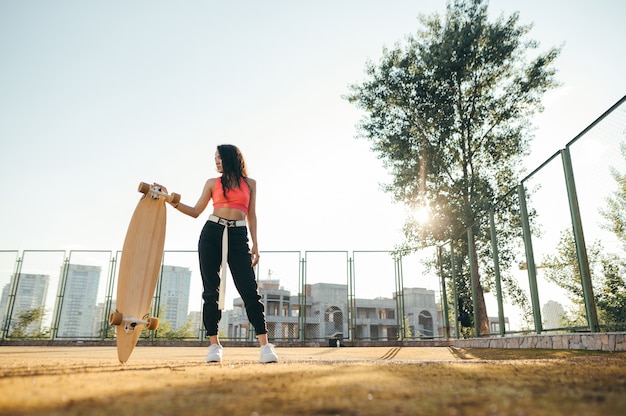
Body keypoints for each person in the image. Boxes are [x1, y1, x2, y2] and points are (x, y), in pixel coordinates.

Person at [160, 144, 278, 364]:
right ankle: (214, 345)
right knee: (210, 290)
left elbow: (252, 215)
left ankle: (265, 347)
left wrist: (256, 244)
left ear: (231, 158)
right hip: (212, 233)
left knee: (250, 291)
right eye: (214, 158)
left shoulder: (250, 184)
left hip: (238, 234)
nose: (216, 162)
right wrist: (169, 199)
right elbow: (195, 212)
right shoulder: (211, 183)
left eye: (219, 158)